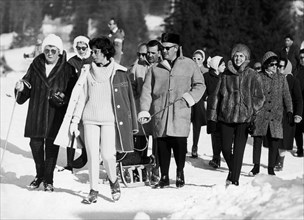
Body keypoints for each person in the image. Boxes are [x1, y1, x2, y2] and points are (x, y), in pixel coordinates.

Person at [56, 36, 138, 204]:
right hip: (89, 119)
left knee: (108, 155)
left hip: (109, 120)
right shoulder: (87, 70)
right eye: (92, 51)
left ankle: (113, 180)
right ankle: (93, 190)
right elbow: (81, 98)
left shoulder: (119, 72)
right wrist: (74, 121)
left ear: (106, 52)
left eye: (95, 51)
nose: (92, 54)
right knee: (93, 156)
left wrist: (131, 123)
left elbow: (126, 101)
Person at [138, 33, 205, 188]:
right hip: (160, 112)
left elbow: (200, 85)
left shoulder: (189, 64)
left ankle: (180, 173)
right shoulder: (155, 68)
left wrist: (190, 98)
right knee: (162, 145)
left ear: (177, 48)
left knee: (179, 143)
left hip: (180, 112)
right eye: (163, 48)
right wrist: (144, 110)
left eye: (168, 48)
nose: (164, 51)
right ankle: (164, 176)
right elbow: (147, 91)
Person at [14, 34, 77, 192]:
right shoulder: (36, 65)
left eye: (53, 50)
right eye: (47, 49)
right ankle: (39, 175)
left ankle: (48, 179)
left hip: (55, 113)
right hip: (36, 112)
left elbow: (74, 93)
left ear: (59, 51)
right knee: (35, 145)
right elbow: (27, 83)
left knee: (51, 147)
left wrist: (64, 97)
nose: (49, 53)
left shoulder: (68, 69)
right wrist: (21, 88)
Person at [207, 44, 265, 186]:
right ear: (232, 57)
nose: (238, 58)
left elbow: (260, 97)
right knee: (226, 148)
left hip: (244, 119)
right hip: (226, 117)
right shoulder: (225, 74)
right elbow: (216, 97)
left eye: (241, 56)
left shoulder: (253, 74)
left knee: (239, 150)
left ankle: (235, 180)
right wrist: (212, 118)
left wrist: (251, 110)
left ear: (246, 58)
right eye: (236, 55)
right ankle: (233, 170)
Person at [249, 51, 293, 177]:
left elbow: (287, 96)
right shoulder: (258, 77)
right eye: (272, 64)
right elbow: (253, 95)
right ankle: (256, 166)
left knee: (274, 142)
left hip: (276, 116)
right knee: (257, 141)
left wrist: (289, 110)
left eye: (277, 64)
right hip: (260, 115)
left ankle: (271, 168)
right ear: (265, 65)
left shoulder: (281, 79)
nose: (275, 67)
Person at [128, 40, 163, 184]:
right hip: (141, 110)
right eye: (143, 54)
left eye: (148, 53)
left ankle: (155, 170)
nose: (146, 56)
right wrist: (138, 96)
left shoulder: (162, 66)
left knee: (158, 143)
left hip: (157, 110)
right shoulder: (137, 68)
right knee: (140, 143)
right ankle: (138, 171)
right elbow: (131, 87)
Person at [59, 36, 93, 173]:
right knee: (71, 130)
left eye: (84, 47)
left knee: (87, 129)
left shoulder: (93, 61)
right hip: (74, 99)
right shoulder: (72, 62)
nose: (81, 50)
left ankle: (88, 155)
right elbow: (65, 80)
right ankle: (70, 163)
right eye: (78, 48)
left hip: (90, 99)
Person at [274, 57, 302, 171]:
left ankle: (280, 161)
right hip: (275, 114)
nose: (279, 68)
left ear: (287, 67)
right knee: (274, 138)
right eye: (278, 66)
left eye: (282, 66)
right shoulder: (273, 79)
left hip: (288, 115)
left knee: (284, 140)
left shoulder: (293, 81)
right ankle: (275, 160)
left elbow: (298, 100)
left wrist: (298, 114)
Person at [204, 56, 225, 168]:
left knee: (225, 134)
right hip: (212, 110)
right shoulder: (206, 76)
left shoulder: (225, 76)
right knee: (215, 134)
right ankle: (216, 157)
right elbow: (202, 91)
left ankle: (225, 155)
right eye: (222, 65)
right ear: (216, 66)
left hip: (224, 109)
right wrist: (207, 98)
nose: (225, 67)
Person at [190, 49, 209, 158]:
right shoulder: (189, 69)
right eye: (194, 58)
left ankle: (195, 146)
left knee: (196, 125)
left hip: (199, 100)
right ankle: (184, 144)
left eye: (199, 59)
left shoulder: (205, 71)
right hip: (188, 97)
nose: (196, 60)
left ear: (203, 59)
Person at [294, 49, 304, 157]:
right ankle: (300, 149)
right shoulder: (296, 71)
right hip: (298, 102)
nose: (303, 60)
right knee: (298, 128)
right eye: (301, 58)